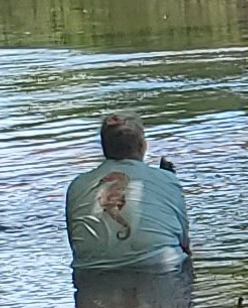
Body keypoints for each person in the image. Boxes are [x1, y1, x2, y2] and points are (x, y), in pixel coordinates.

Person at [65, 114, 194, 273]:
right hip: (161, 268)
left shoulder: (77, 185)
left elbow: (75, 245)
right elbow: (185, 243)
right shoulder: (167, 179)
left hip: (92, 273)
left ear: (104, 149)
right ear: (142, 146)